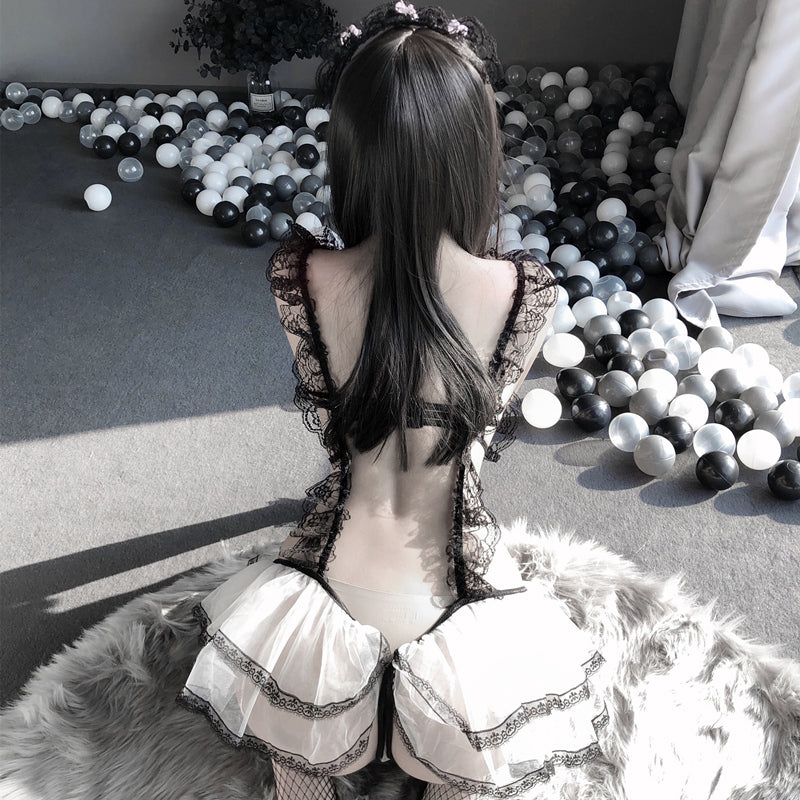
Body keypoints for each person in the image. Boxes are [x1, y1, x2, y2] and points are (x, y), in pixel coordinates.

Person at [178, 4, 607, 798]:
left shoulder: (301, 276)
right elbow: (472, 448)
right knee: (467, 761)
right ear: (476, 151)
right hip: (459, 611)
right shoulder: (527, 293)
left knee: (301, 763)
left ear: (351, 150)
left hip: (326, 600)